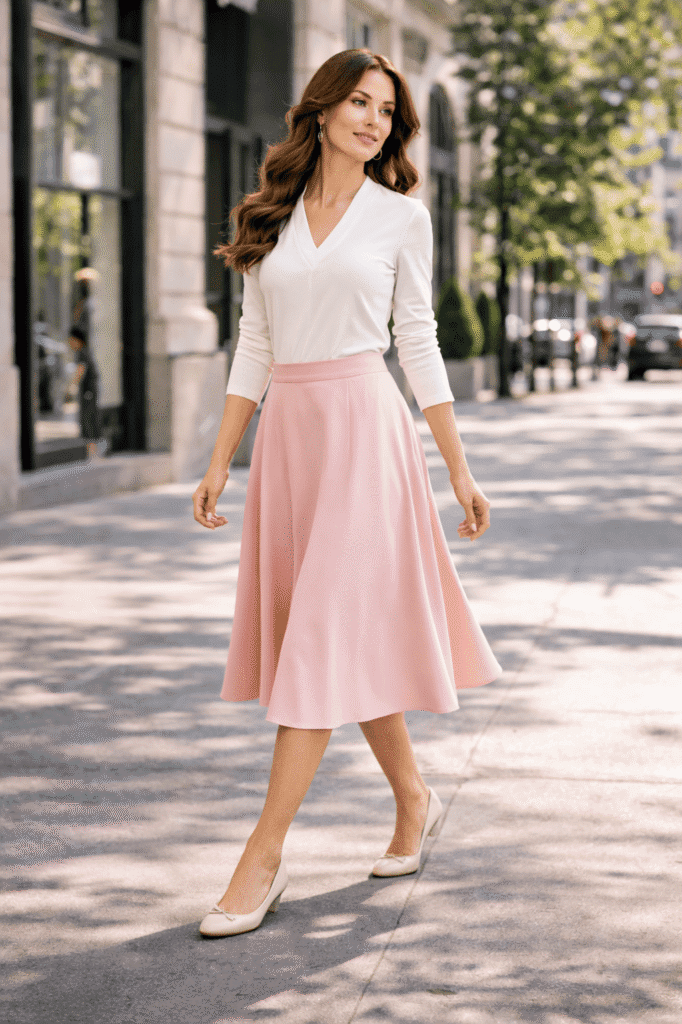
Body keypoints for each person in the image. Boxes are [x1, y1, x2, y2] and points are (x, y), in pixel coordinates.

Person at [192, 48, 503, 939]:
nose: (373, 119)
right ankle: (413, 797)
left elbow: (419, 343)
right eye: (358, 103)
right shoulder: (271, 213)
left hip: (366, 434)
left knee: (325, 636)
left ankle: (262, 855)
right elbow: (253, 343)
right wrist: (220, 459)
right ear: (321, 111)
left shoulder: (401, 217)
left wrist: (457, 464)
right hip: (291, 438)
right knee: (336, 635)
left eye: (386, 110)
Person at [67, 325, 101, 458]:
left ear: (77, 340)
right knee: (90, 416)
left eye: (71, 340)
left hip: (88, 390)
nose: (70, 343)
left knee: (88, 417)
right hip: (90, 389)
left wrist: (71, 387)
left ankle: (92, 452)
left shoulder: (82, 352)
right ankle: (92, 451)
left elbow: (81, 370)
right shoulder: (85, 351)